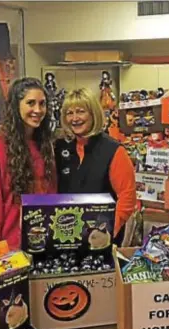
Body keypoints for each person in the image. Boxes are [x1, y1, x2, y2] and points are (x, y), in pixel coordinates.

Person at [0, 77, 57, 250]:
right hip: (10, 249)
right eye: (30, 103)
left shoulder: (45, 147)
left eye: (42, 104)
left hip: (44, 243)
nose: (37, 110)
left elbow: (52, 196)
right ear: (16, 106)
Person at [54, 87, 136, 245]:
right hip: (67, 233)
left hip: (102, 237)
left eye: (80, 111)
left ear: (93, 114)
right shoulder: (59, 148)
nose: (75, 118)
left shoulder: (113, 150)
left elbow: (127, 198)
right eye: (69, 113)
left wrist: (107, 231)